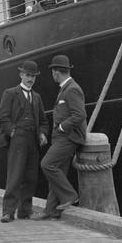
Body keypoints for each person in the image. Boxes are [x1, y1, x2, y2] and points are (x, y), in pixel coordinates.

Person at [0, 60, 48, 222]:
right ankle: (8, 211)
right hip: (18, 138)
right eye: (28, 75)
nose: (30, 79)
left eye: (33, 76)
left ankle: (25, 210)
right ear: (21, 75)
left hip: (33, 139)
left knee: (31, 176)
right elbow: (2, 117)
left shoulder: (36, 97)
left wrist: (43, 133)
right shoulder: (10, 93)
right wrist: (12, 132)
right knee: (15, 175)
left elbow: (44, 121)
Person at [37, 54, 87, 220]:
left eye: (53, 72)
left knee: (47, 164)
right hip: (63, 138)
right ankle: (50, 210)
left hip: (68, 137)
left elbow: (80, 114)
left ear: (55, 73)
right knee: (58, 172)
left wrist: (62, 126)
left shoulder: (72, 89)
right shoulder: (67, 88)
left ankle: (70, 196)